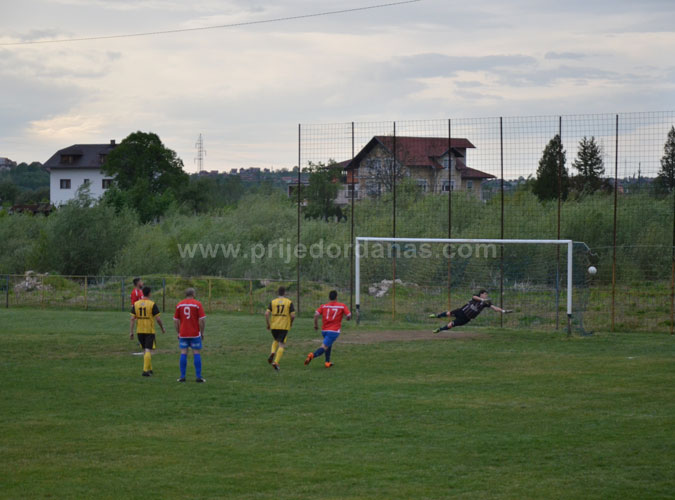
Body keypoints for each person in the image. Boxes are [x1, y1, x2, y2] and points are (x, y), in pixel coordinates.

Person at [305, 290, 351, 368]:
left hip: (324, 330)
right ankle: (312, 355)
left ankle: (327, 362)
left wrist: (316, 325)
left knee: (329, 344)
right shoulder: (342, 306)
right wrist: (347, 318)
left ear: (329, 297)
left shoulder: (324, 306)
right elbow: (349, 315)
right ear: (336, 297)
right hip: (334, 331)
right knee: (324, 346)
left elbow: (316, 315)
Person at [430, 289, 511, 333]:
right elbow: (474, 297)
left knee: (451, 324)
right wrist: (482, 299)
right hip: (461, 311)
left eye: (487, 294)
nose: (486, 295)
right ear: (481, 294)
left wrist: (503, 311)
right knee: (448, 313)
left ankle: (439, 330)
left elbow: (494, 308)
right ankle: (437, 316)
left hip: (466, 318)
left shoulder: (486, 303)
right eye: (485, 294)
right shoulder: (476, 297)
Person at [129, 286, 165, 376]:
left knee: (145, 349)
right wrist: (162, 328)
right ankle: (145, 371)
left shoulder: (136, 304)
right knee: (148, 349)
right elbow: (158, 319)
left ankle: (149, 369)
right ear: (149, 294)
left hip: (139, 330)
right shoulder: (152, 304)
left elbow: (132, 319)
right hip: (149, 330)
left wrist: (131, 332)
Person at [173, 288, 206, 383]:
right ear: (193, 294)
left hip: (183, 333)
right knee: (196, 353)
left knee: (183, 353)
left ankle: (182, 377)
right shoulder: (197, 304)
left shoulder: (179, 304)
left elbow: (176, 321)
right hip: (195, 334)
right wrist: (202, 332)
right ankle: (198, 377)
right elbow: (202, 320)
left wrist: (178, 332)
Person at [265, 286, 295, 371]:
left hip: (274, 325)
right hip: (284, 326)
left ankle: (272, 352)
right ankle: (276, 362)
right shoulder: (289, 302)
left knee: (275, 340)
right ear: (284, 293)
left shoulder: (273, 302)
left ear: (278, 293)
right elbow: (293, 315)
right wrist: (291, 323)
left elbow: (266, 314)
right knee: (281, 344)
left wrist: (268, 324)